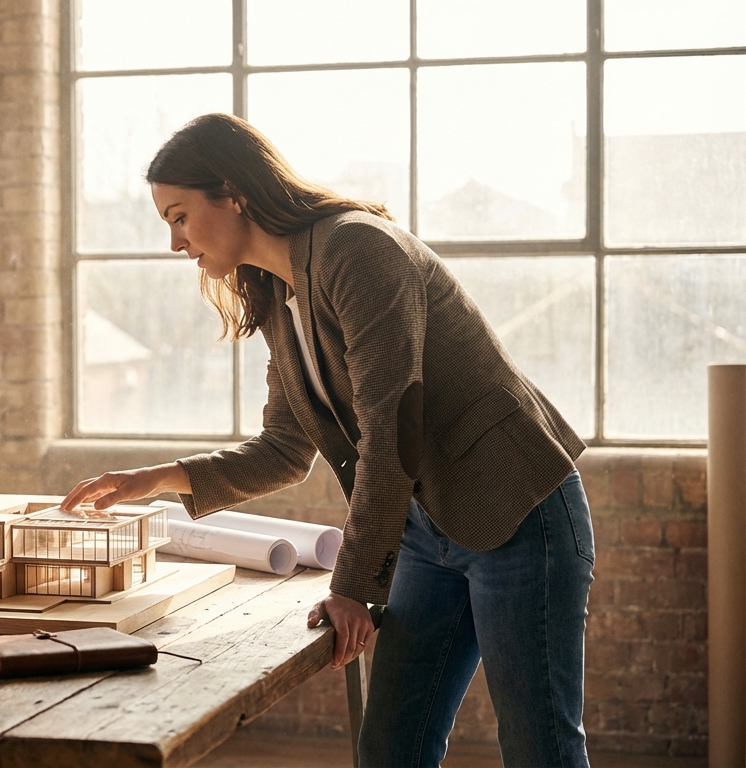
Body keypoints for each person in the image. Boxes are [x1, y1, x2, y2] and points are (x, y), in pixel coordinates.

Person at [61, 114, 593, 768]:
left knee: (541, 749)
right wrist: (156, 479)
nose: (176, 243)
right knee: (390, 748)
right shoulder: (280, 295)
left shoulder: (356, 249)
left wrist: (351, 586)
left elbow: (389, 430)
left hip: (518, 512)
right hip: (425, 534)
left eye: (179, 216)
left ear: (232, 193)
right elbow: (284, 449)